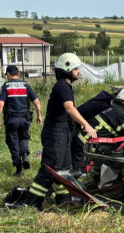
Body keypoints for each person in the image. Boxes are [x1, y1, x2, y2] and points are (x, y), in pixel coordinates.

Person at [24, 53, 97, 210]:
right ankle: (31, 202)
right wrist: (86, 124)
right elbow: (69, 108)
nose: (79, 72)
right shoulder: (63, 86)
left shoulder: (65, 85)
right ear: (67, 68)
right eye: (76, 69)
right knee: (50, 169)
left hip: (62, 132)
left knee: (64, 169)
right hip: (55, 133)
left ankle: (63, 200)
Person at [72, 88, 124, 175]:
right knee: (80, 173)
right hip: (85, 145)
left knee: (89, 169)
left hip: (84, 142)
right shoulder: (121, 114)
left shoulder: (115, 109)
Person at [0, 65, 42, 176]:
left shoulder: (6, 86)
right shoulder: (25, 85)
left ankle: (19, 170)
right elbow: (37, 102)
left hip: (11, 120)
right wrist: (39, 116)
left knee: (13, 142)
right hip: (25, 119)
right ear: (18, 74)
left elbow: (1, 104)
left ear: (8, 74)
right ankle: (25, 156)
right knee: (23, 137)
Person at [71, 90, 116, 174]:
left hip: (77, 118)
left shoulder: (102, 99)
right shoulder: (104, 106)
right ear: (112, 101)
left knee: (73, 146)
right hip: (75, 121)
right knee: (75, 149)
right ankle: (76, 173)